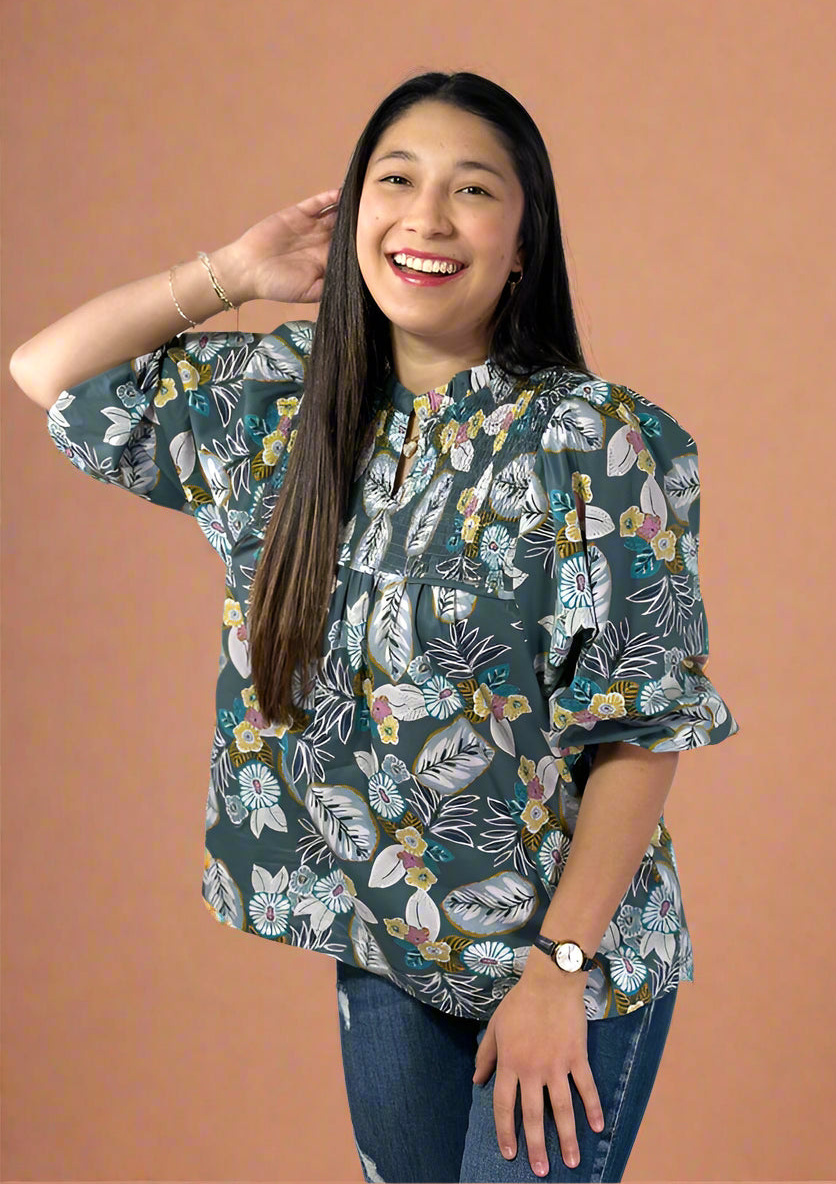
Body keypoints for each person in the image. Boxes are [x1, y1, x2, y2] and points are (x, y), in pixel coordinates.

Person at [10, 70, 739, 1183]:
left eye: (471, 190)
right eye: (393, 181)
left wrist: (556, 970)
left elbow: (640, 729)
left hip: (564, 962)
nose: (426, 217)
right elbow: (49, 371)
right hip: (387, 953)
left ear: (522, 244)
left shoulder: (589, 440)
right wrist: (235, 275)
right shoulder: (286, 408)